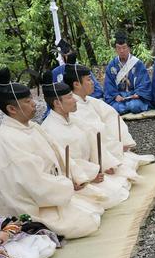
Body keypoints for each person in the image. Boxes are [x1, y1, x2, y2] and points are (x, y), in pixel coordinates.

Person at [0, 69, 102, 240]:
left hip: (54, 192)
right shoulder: (6, 139)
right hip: (33, 206)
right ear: (12, 108)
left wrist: (75, 177)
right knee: (86, 223)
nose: (34, 104)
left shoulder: (33, 127)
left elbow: (60, 155)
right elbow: (31, 181)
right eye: (27, 101)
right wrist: (66, 185)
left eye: (32, 99)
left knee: (96, 208)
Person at [41, 79, 130, 210]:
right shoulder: (49, 129)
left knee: (122, 184)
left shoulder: (75, 120)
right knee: (109, 197)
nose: (75, 100)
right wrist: (84, 178)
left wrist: (104, 165)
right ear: (57, 103)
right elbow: (58, 166)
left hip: (90, 171)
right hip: (77, 182)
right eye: (70, 97)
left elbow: (94, 142)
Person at [70, 61, 155, 177]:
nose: (93, 83)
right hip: (97, 154)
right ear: (76, 84)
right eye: (89, 80)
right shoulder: (74, 108)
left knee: (121, 110)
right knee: (124, 171)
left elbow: (111, 116)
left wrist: (122, 141)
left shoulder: (90, 100)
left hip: (133, 97)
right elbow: (93, 134)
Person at [103, 31, 151, 115]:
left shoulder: (137, 64)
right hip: (119, 97)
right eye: (118, 48)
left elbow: (144, 81)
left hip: (134, 97)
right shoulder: (112, 65)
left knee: (134, 106)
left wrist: (138, 93)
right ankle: (124, 107)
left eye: (124, 48)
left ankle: (129, 106)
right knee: (117, 108)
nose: (121, 51)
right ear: (115, 49)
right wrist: (115, 95)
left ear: (129, 48)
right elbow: (108, 84)